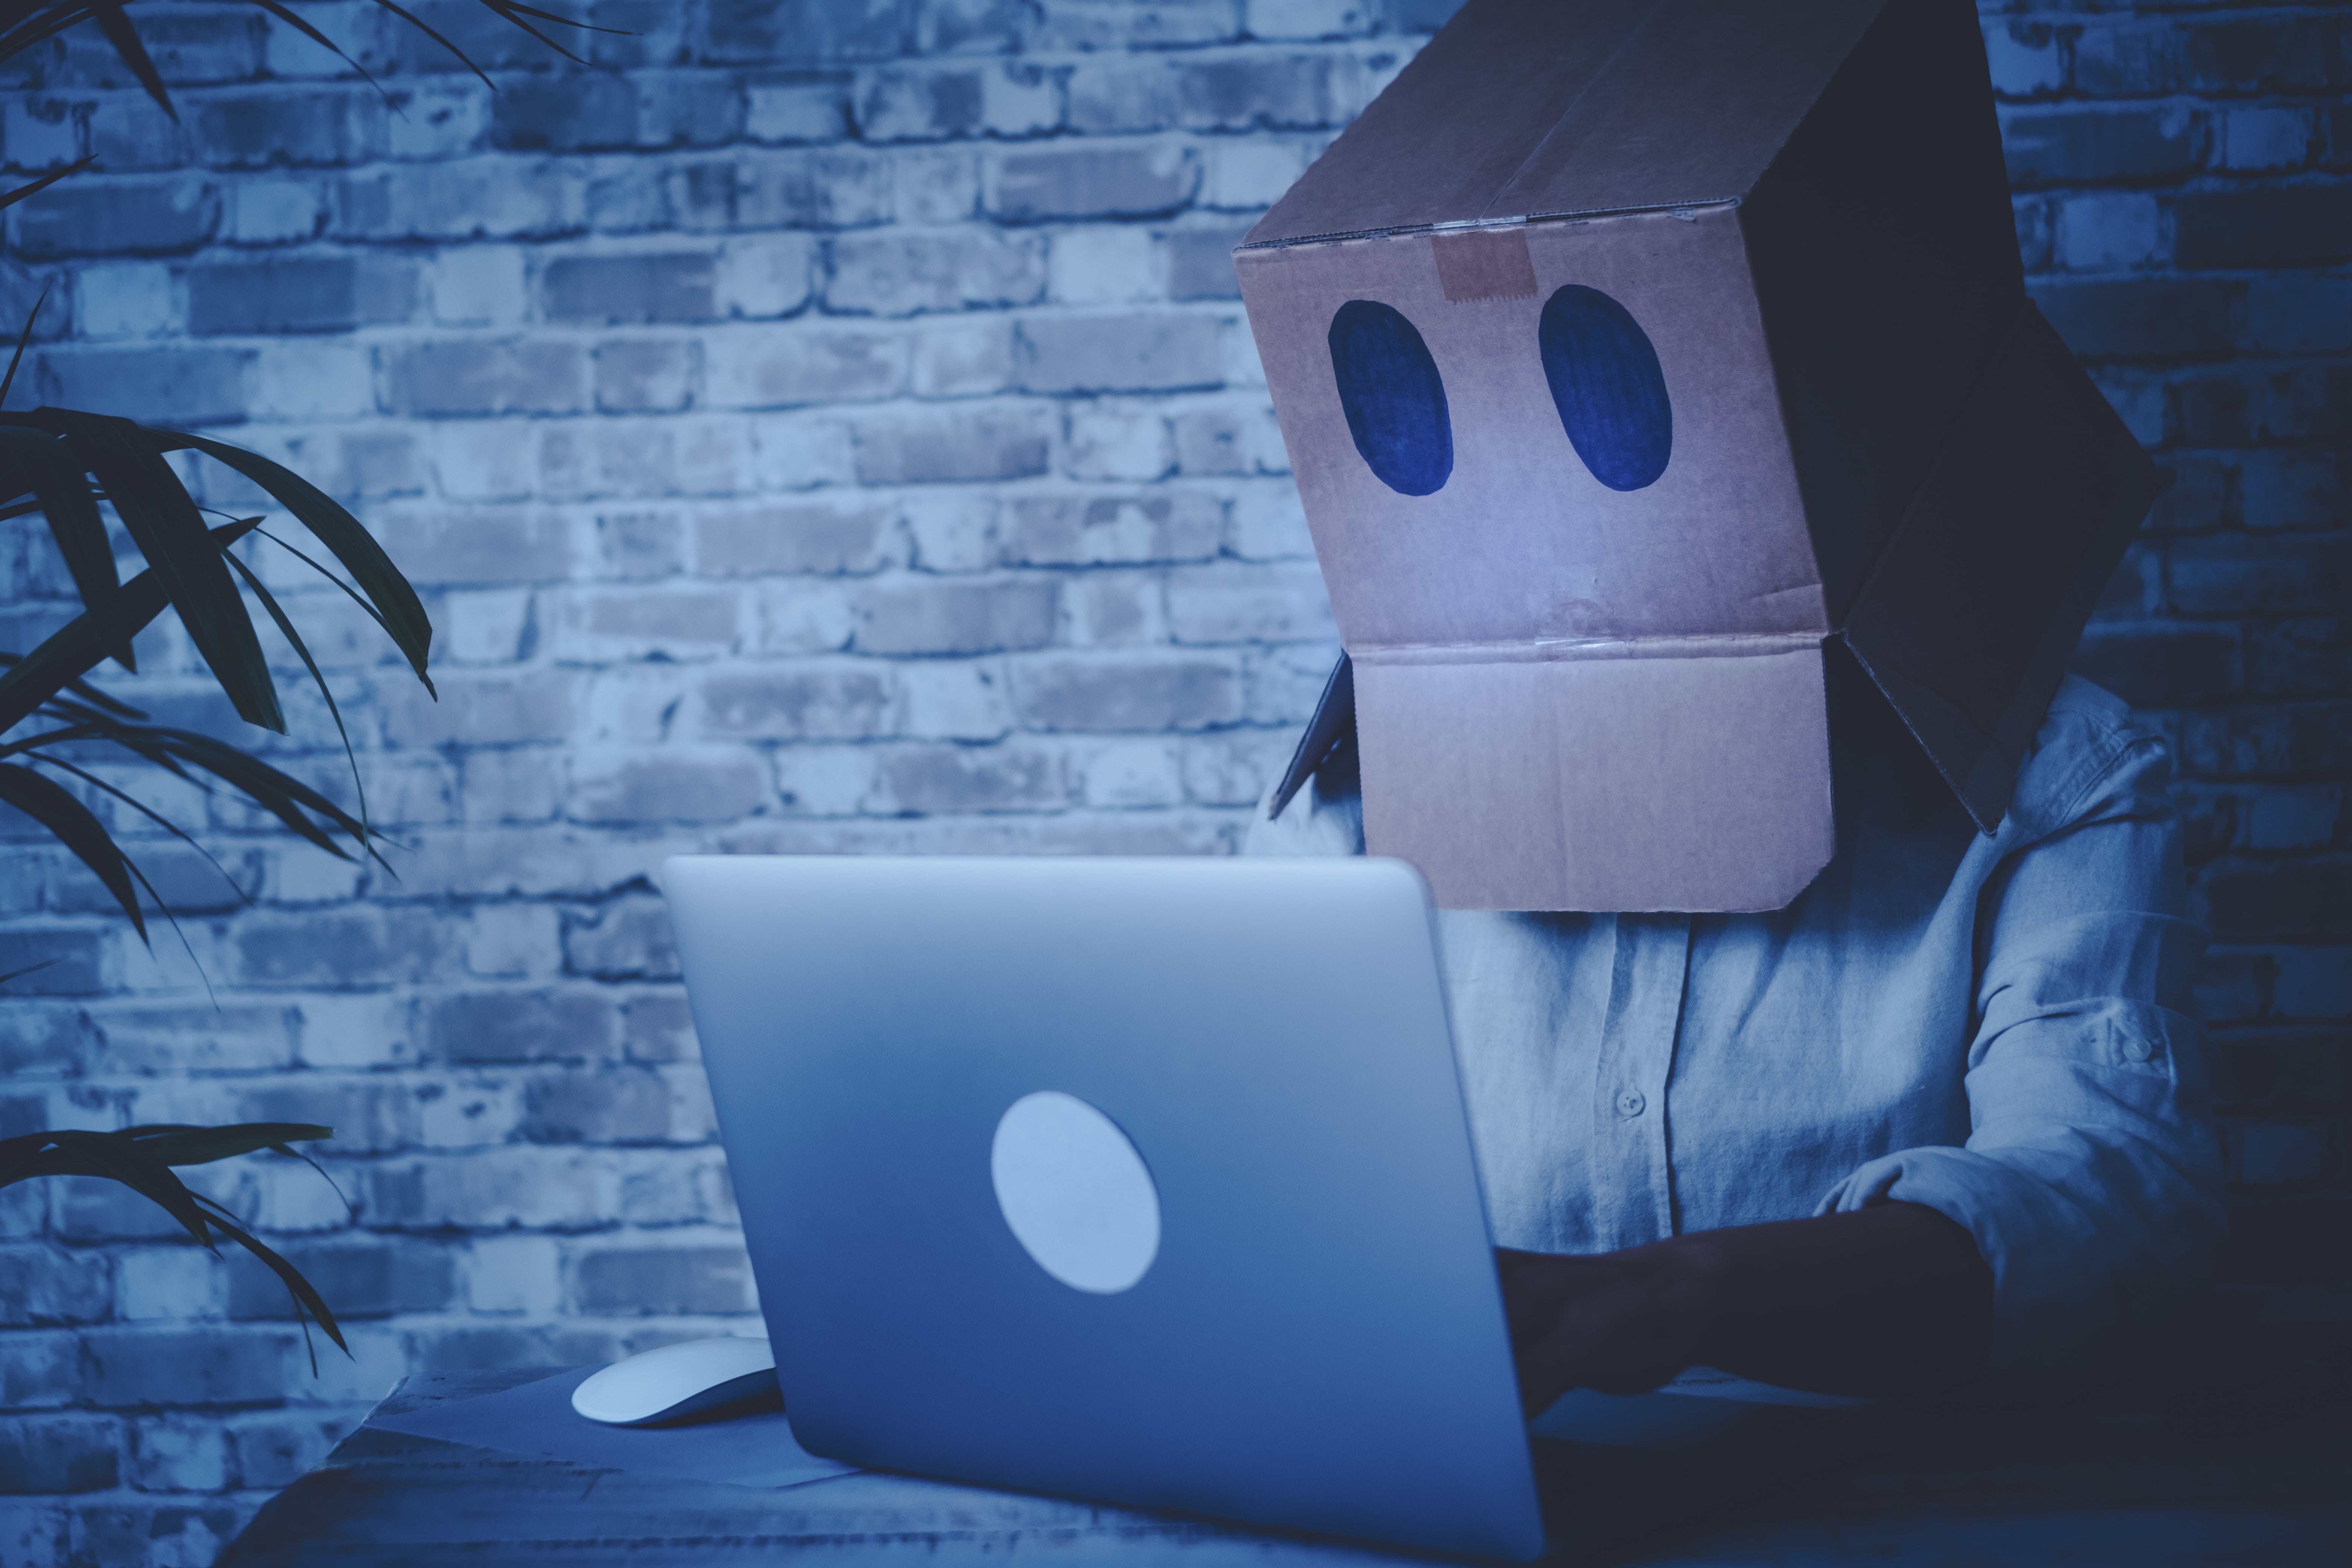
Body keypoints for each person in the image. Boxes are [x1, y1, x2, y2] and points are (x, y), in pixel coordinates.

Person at [1250, 644, 2226, 1413]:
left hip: (1882, 1472)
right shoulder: (1357, 783)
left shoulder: (2048, 765)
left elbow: (2116, 1197)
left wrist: (1675, 1296)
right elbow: (1261, 1168)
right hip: (1451, 1460)